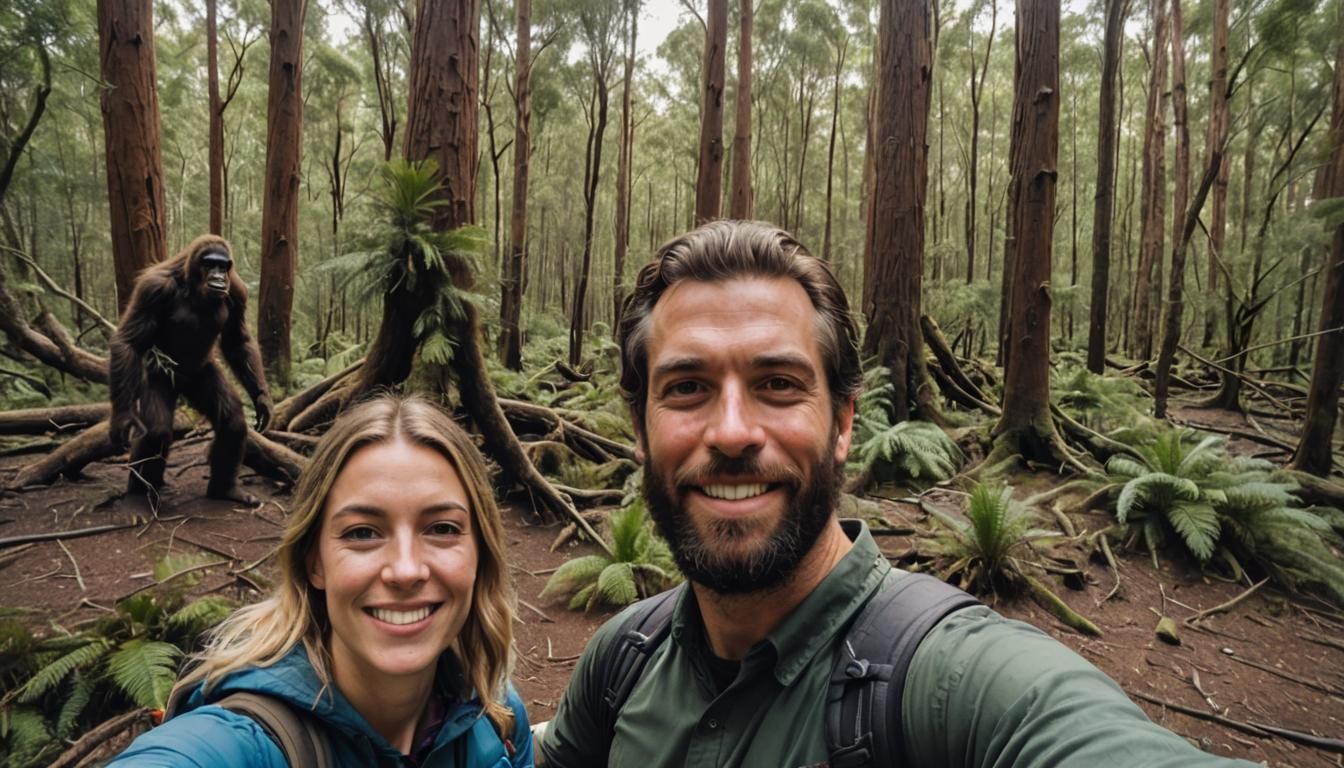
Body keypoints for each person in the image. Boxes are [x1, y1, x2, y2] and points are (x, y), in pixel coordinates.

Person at [538, 220, 1256, 767]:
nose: (731, 433)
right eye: (688, 387)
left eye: (778, 385)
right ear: (639, 424)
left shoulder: (946, 683)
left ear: (843, 423)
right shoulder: (623, 660)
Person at [111, 394, 534, 767]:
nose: (405, 570)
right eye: (362, 533)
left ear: (481, 552)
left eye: (442, 528)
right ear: (315, 563)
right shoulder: (248, 740)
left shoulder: (497, 715)